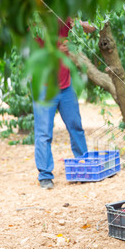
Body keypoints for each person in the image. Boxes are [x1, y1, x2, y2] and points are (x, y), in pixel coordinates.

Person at [33, 18, 96, 189]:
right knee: (44, 133)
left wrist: (81, 23)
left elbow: (92, 28)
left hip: (66, 86)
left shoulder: (62, 18)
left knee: (76, 126)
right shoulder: (34, 21)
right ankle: (45, 176)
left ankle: (83, 167)